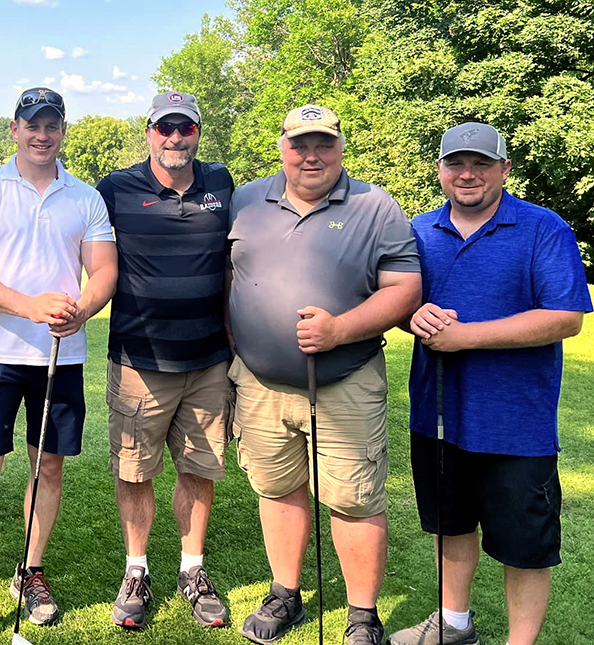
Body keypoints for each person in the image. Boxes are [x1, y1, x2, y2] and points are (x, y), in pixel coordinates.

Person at [389, 123, 593, 645]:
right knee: (451, 525)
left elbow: (566, 316)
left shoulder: (542, 228)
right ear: (439, 171)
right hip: (437, 412)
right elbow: (395, 299)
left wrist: (466, 337)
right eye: (456, 163)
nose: (468, 174)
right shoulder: (417, 230)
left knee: (524, 545)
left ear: (504, 169)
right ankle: (453, 624)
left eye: (481, 163)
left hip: (515, 422)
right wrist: (413, 315)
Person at [227, 104, 421, 644]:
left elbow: (404, 289)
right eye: (300, 144)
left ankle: (363, 615)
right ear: (282, 148)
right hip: (259, 383)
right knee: (277, 488)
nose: (311, 156)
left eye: (323, 144)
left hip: (345, 381)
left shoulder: (375, 205)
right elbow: (229, 278)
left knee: (354, 498)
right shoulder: (246, 200)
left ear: (340, 147)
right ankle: (285, 592)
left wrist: (340, 330)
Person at [0, 87, 118, 645]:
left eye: (52, 125)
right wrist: (29, 305)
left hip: (61, 358)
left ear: (63, 130)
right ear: (14, 128)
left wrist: (82, 308)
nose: (42, 134)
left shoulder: (84, 197)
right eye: (31, 124)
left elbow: (104, 269)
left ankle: (30, 570)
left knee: (49, 469)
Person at [94, 91, 235, 630]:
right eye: (164, 128)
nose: (175, 138)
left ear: (199, 131)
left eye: (186, 128)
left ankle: (192, 568)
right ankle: (136, 569)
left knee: (200, 468)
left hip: (208, 360)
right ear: (148, 132)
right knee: (135, 469)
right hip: (139, 359)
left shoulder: (222, 185)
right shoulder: (116, 189)